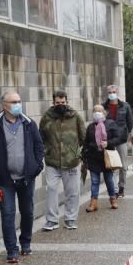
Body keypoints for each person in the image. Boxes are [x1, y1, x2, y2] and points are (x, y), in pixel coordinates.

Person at [0, 90, 45, 263]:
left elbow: (39, 146)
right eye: (13, 102)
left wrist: (37, 166)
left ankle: (25, 243)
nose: (18, 104)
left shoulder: (29, 124)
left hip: (26, 178)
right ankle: (12, 250)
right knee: (8, 214)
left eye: (19, 101)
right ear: (4, 105)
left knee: (28, 212)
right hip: (5, 181)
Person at [39, 90, 85, 231]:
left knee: (72, 191)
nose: (60, 105)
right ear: (53, 102)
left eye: (63, 102)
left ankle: (70, 219)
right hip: (52, 161)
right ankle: (52, 220)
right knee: (51, 189)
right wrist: (45, 151)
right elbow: (41, 137)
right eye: (58, 103)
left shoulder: (75, 116)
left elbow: (83, 136)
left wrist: (76, 153)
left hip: (71, 161)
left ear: (67, 101)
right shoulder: (46, 118)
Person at [82, 104, 124, 211]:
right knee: (94, 181)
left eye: (99, 110)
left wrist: (108, 143)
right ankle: (93, 203)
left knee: (109, 180)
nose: (97, 112)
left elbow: (118, 138)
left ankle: (113, 200)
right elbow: (86, 142)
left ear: (104, 113)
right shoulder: (91, 126)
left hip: (106, 157)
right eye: (95, 110)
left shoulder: (110, 124)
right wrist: (84, 155)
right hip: (93, 157)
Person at [102, 85, 133, 198]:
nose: (112, 94)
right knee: (110, 165)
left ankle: (121, 187)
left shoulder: (125, 106)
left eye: (114, 92)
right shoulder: (104, 106)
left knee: (123, 166)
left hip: (121, 139)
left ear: (117, 92)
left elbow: (130, 122)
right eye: (110, 92)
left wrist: (128, 134)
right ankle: (114, 189)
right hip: (109, 140)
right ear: (107, 93)